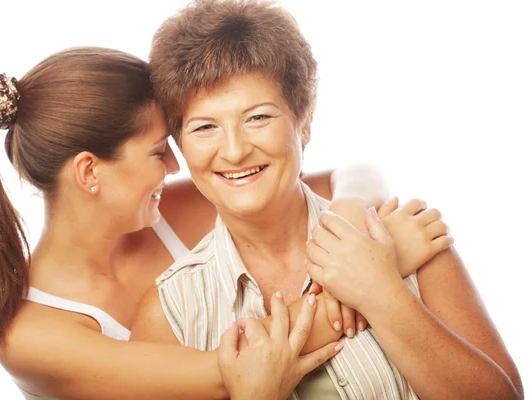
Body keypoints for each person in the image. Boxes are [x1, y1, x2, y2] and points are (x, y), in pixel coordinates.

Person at [0, 46, 392, 400]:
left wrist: (349, 215)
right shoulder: (31, 336)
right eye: (159, 151)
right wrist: (370, 276)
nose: (177, 165)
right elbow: (235, 373)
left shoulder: (167, 212)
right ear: (89, 172)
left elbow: (357, 175)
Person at [132, 1, 524, 399]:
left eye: (258, 118)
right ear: (179, 145)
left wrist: (382, 294)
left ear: (304, 123)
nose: (233, 151)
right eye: (205, 127)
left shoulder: (402, 237)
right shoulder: (167, 315)